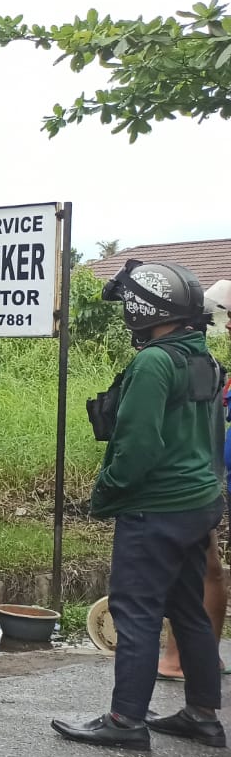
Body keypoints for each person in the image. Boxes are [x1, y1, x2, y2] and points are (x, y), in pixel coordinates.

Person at [53, 260, 226, 752]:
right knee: (187, 609)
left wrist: (105, 493)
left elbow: (138, 449)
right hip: (198, 502)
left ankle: (125, 721)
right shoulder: (204, 359)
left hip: (158, 508)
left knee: (136, 612)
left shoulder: (153, 362)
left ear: (145, 307)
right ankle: (202, 715)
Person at [160, 282, 231, 680]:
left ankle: (181, 658)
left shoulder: (186, 365)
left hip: (195, 483)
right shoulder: (212, 366)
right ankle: (201, 656)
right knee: (207, 566)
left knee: (195, 568)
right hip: (209, 480)